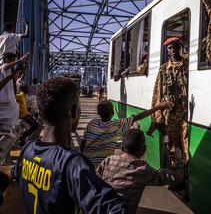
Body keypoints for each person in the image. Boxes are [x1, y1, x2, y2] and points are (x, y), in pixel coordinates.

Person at [13, 77, 127, 214]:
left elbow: (16, 176)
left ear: (41, 112)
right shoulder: (72, 164)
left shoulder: (27, 150)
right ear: (73, 111)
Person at [97, 129, 185, 214]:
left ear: (122, 147)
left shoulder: (108, 160)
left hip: (99, 208)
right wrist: (178, 160)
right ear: (144, 149)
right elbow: (177, 178)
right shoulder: (142, 169)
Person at [81, 100, 172, 168]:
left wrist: (82, 154)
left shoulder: (92, 123)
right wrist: (158, 107)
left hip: (86, 162)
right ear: (112, 113)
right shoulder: (116, 125)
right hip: (102, 166)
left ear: (98, 113)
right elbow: (138, 117)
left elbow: (83, 143)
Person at [148, 37, 189, 163]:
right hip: (170, 116)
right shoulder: (164, 69)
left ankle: (185, 168)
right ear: (168, 51)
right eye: (171, 48)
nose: (174, 50)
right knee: (172, 145)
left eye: (176, 47)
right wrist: (157, 118)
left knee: (186, 144)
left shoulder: (188, 64)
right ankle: (176, 170)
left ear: (179, 48)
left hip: (186, 114)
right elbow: (157, 93)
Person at [0, 52, 29, 136]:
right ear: (6, 59)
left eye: (14, 60)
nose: (13, 61)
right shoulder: (3, 66)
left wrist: (22, 66)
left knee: (14, 108)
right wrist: (19, 60)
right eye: (12, 60)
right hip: (3, 93)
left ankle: (5, 128)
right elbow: (6, 67)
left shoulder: (11, 69)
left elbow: (15, 73)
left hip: (8, 93)